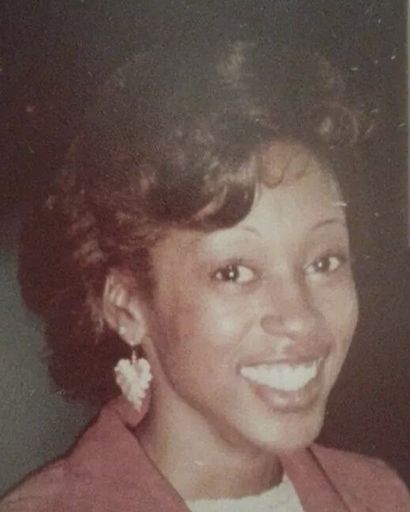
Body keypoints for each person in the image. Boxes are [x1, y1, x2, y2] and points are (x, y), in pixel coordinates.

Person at [1, 38, 409, 512]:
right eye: (234, 272)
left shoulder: (381, 497)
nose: (300, 318)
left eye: (325, 262)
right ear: (126, 306)